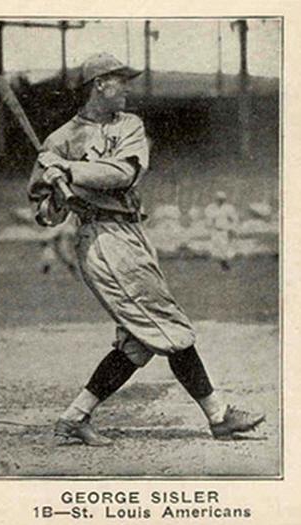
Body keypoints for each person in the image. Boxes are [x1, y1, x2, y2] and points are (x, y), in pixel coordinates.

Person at [28, 52, 264, 446]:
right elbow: (44, 215)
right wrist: (55, 189)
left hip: (133, 235)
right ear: (99, 84)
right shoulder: (59, 141)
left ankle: (74, 417)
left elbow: (124, 174)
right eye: (120, 80)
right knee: (167, 324)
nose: (127, 87)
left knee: (138, 341)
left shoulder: (130, 126)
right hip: (100, 239)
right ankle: (219, 415)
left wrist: (69, 171)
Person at [205, 191, 239, 270]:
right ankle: (219, 264)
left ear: (224, 199)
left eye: (222, 199)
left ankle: (224, 264)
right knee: (215, 248)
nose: (220, 201)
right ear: (215, 199)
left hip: (225, 231)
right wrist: (210, 227)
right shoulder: (211, 207)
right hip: (215, 231)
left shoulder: (229, 208)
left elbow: (235, 219)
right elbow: (208, 220)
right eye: (218, 199)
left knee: (225, 248)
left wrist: (232, 229)